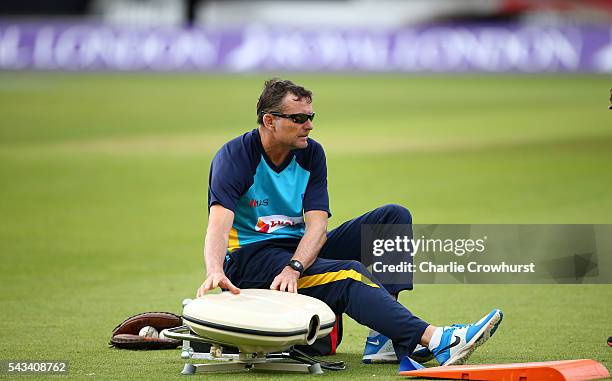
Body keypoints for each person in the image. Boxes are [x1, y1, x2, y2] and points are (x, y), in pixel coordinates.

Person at [196, 78, 502, 366]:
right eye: (299, 119)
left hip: (295, 255)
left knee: (392, 218)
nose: (309, 126)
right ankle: (438, 339)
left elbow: (317, 226)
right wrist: (215, 271)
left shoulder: (311, 154)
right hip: (251, 261)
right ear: (269, 120)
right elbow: (218, 223)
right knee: (349, 274)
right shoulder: (235, 156)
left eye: (311, 116)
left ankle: (383, 340)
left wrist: (296, 265)